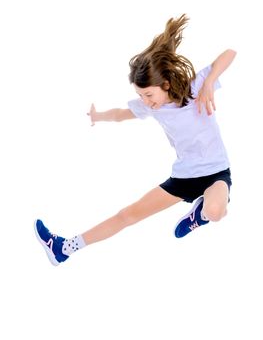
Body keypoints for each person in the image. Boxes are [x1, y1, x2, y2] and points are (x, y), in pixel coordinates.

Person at [35, 14, 236, 266]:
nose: (145, 101)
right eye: (140, 95)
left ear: (165, 84)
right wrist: (98, 115)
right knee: (127, 215)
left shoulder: (194, 88)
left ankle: (201, 215)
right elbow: (120, 115)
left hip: (216, 171)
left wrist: (208, 83)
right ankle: (63, 247)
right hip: (184, 177)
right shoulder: (152, 108)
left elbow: (230, 52)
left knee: (216, 211)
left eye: (148, 94)